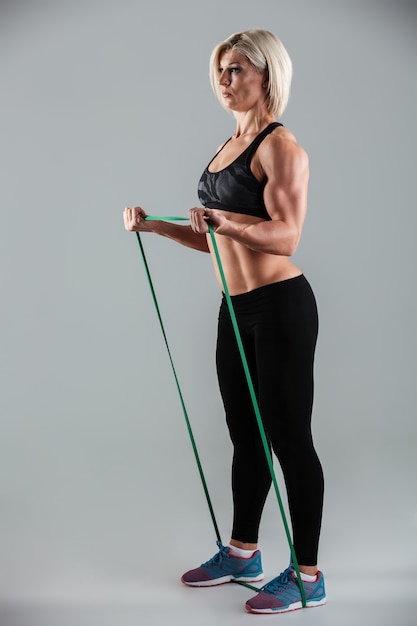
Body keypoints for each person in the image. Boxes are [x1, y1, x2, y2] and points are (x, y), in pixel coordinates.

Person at [123, 29, 326, 615]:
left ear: (267, 75)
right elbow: (213, 237)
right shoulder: (226, 145)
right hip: (234, 307)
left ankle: (308, 574)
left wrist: (226, 223)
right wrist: (154, 226)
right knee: (245, 437)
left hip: (281, 306)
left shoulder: (279, 146)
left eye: (237, 69)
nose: (225, 80)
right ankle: (243, 553)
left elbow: (286, 236)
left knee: (291, 440)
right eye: (221, 70)